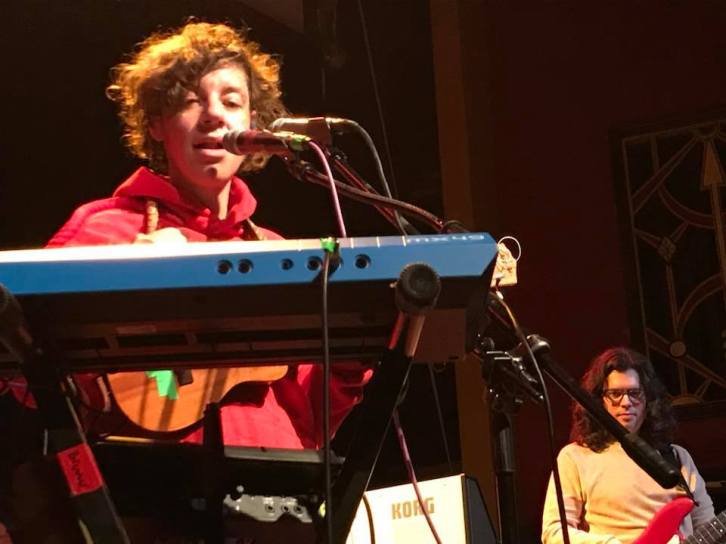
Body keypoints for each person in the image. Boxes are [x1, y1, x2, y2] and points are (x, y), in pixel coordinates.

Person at [2, 20, 372, 542]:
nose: (215, 114)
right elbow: (27, 376)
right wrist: (128, 289)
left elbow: (310, 418)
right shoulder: (104, 230)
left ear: (255, 125)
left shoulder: (275, 250)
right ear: (157, 123)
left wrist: (360, 339)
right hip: (143, 511)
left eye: (232, 101)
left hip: (278, 506)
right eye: (191, 100)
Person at [541, 347, 714, 544]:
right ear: (599, 400)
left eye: (634, 393)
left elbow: (707, 524)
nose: (626, 402)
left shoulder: (677, 457)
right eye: (615, 394)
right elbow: (554, 532)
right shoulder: (575, 457)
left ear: (648, 399)